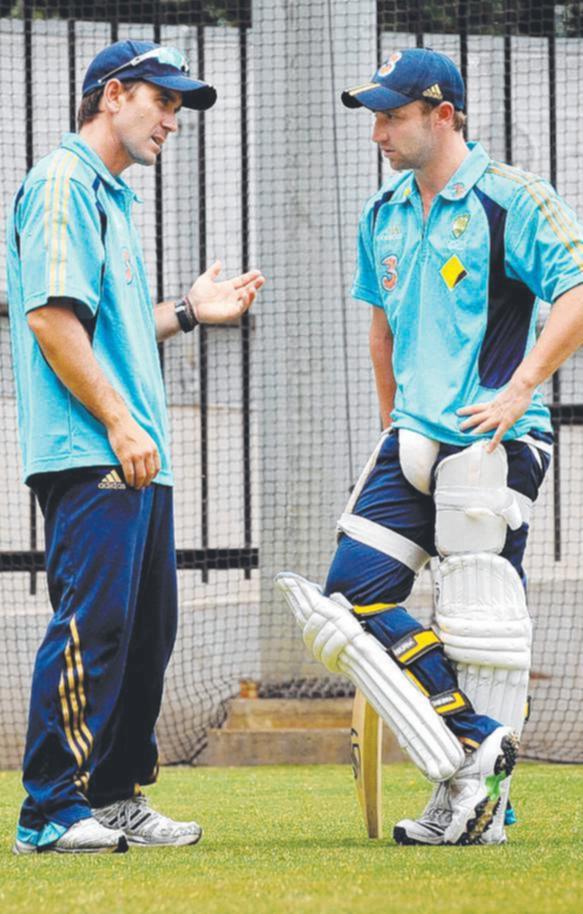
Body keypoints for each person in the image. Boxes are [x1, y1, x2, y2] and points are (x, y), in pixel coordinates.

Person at [277, 48, 583, 846]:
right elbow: (380, 333)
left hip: (494, 440)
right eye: (373, 116)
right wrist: (391, 423)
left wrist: (519, 390)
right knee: (349, 598)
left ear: (442, 113)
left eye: (391, 115)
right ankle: (472, 738)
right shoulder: (380, 212)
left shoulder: (513, 199)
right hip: (410, 435)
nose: (376, 130)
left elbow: (577, 291)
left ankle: (479, 811)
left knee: (481, 622)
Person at [6, 39, 265, 854]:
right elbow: (52, 320)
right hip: (92, 452)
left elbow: (109, 326)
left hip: (138, 457)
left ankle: (112, 797)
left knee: (147, 632)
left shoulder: (111, 199)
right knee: (95, 627)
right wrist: (118, 422)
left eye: (179, 109)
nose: (173, 122)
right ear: (112, 95)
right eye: (164, 102)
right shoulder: (60, 184)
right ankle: (49, 809)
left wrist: (187, 312)